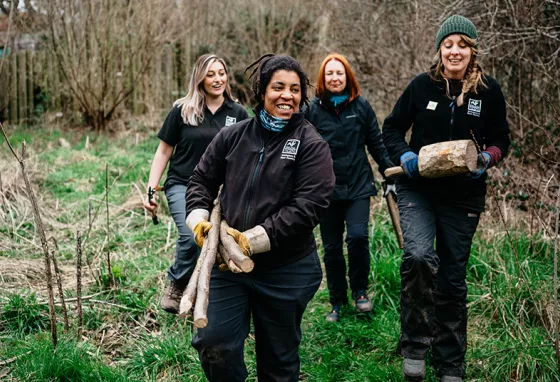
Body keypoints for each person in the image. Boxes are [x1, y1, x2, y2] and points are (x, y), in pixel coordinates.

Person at [185, 54, 335, 382]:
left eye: (295, 89)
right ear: (262, 91)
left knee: (278, 364)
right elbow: (200, 181)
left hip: (286, 268)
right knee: (215, 344)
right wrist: (199, 221)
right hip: (227, 263)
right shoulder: (233, 136)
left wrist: (252, 240)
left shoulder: (311, 145)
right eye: (278, 87)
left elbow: (309, 205)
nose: (287, 95)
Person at [382, 15, 510, 382]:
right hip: (418, 190)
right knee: (420, 257)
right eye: (448, 44)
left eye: (462, 45)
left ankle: (450, 361)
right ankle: (415, 345)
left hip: (463, 198)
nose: (455, 51)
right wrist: (403, 155)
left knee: (452, 277)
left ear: (472, 51)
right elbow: (391, 128)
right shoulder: (422, 87)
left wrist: (488, 158)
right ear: (439, 49)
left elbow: (502, 139)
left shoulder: (489, 92)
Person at [143, 54, 249, 314]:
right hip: (183, 184)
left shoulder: (238, 113)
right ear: (200, 78)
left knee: (223, 243)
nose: (217, 79)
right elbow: (164, 152)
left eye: (221, 73)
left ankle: (214, 295)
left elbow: (246, 155)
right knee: (193, 237)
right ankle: (177, 282)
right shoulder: (183, 110)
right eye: (211, 74)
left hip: (222, 189)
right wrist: (151, 187)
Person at [304, 53, 393, 322]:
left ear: (347, 77)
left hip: (358, 186)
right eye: (329, 73)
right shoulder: (312, 110)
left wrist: (389, 171)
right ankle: (337, 302)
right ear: (323, 78)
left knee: (357, 238)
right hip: (326, 191)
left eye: (339, 73)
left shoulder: (361, 107)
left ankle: (360, 293)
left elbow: (376, 143)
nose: (334, 78)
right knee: (331, 248)